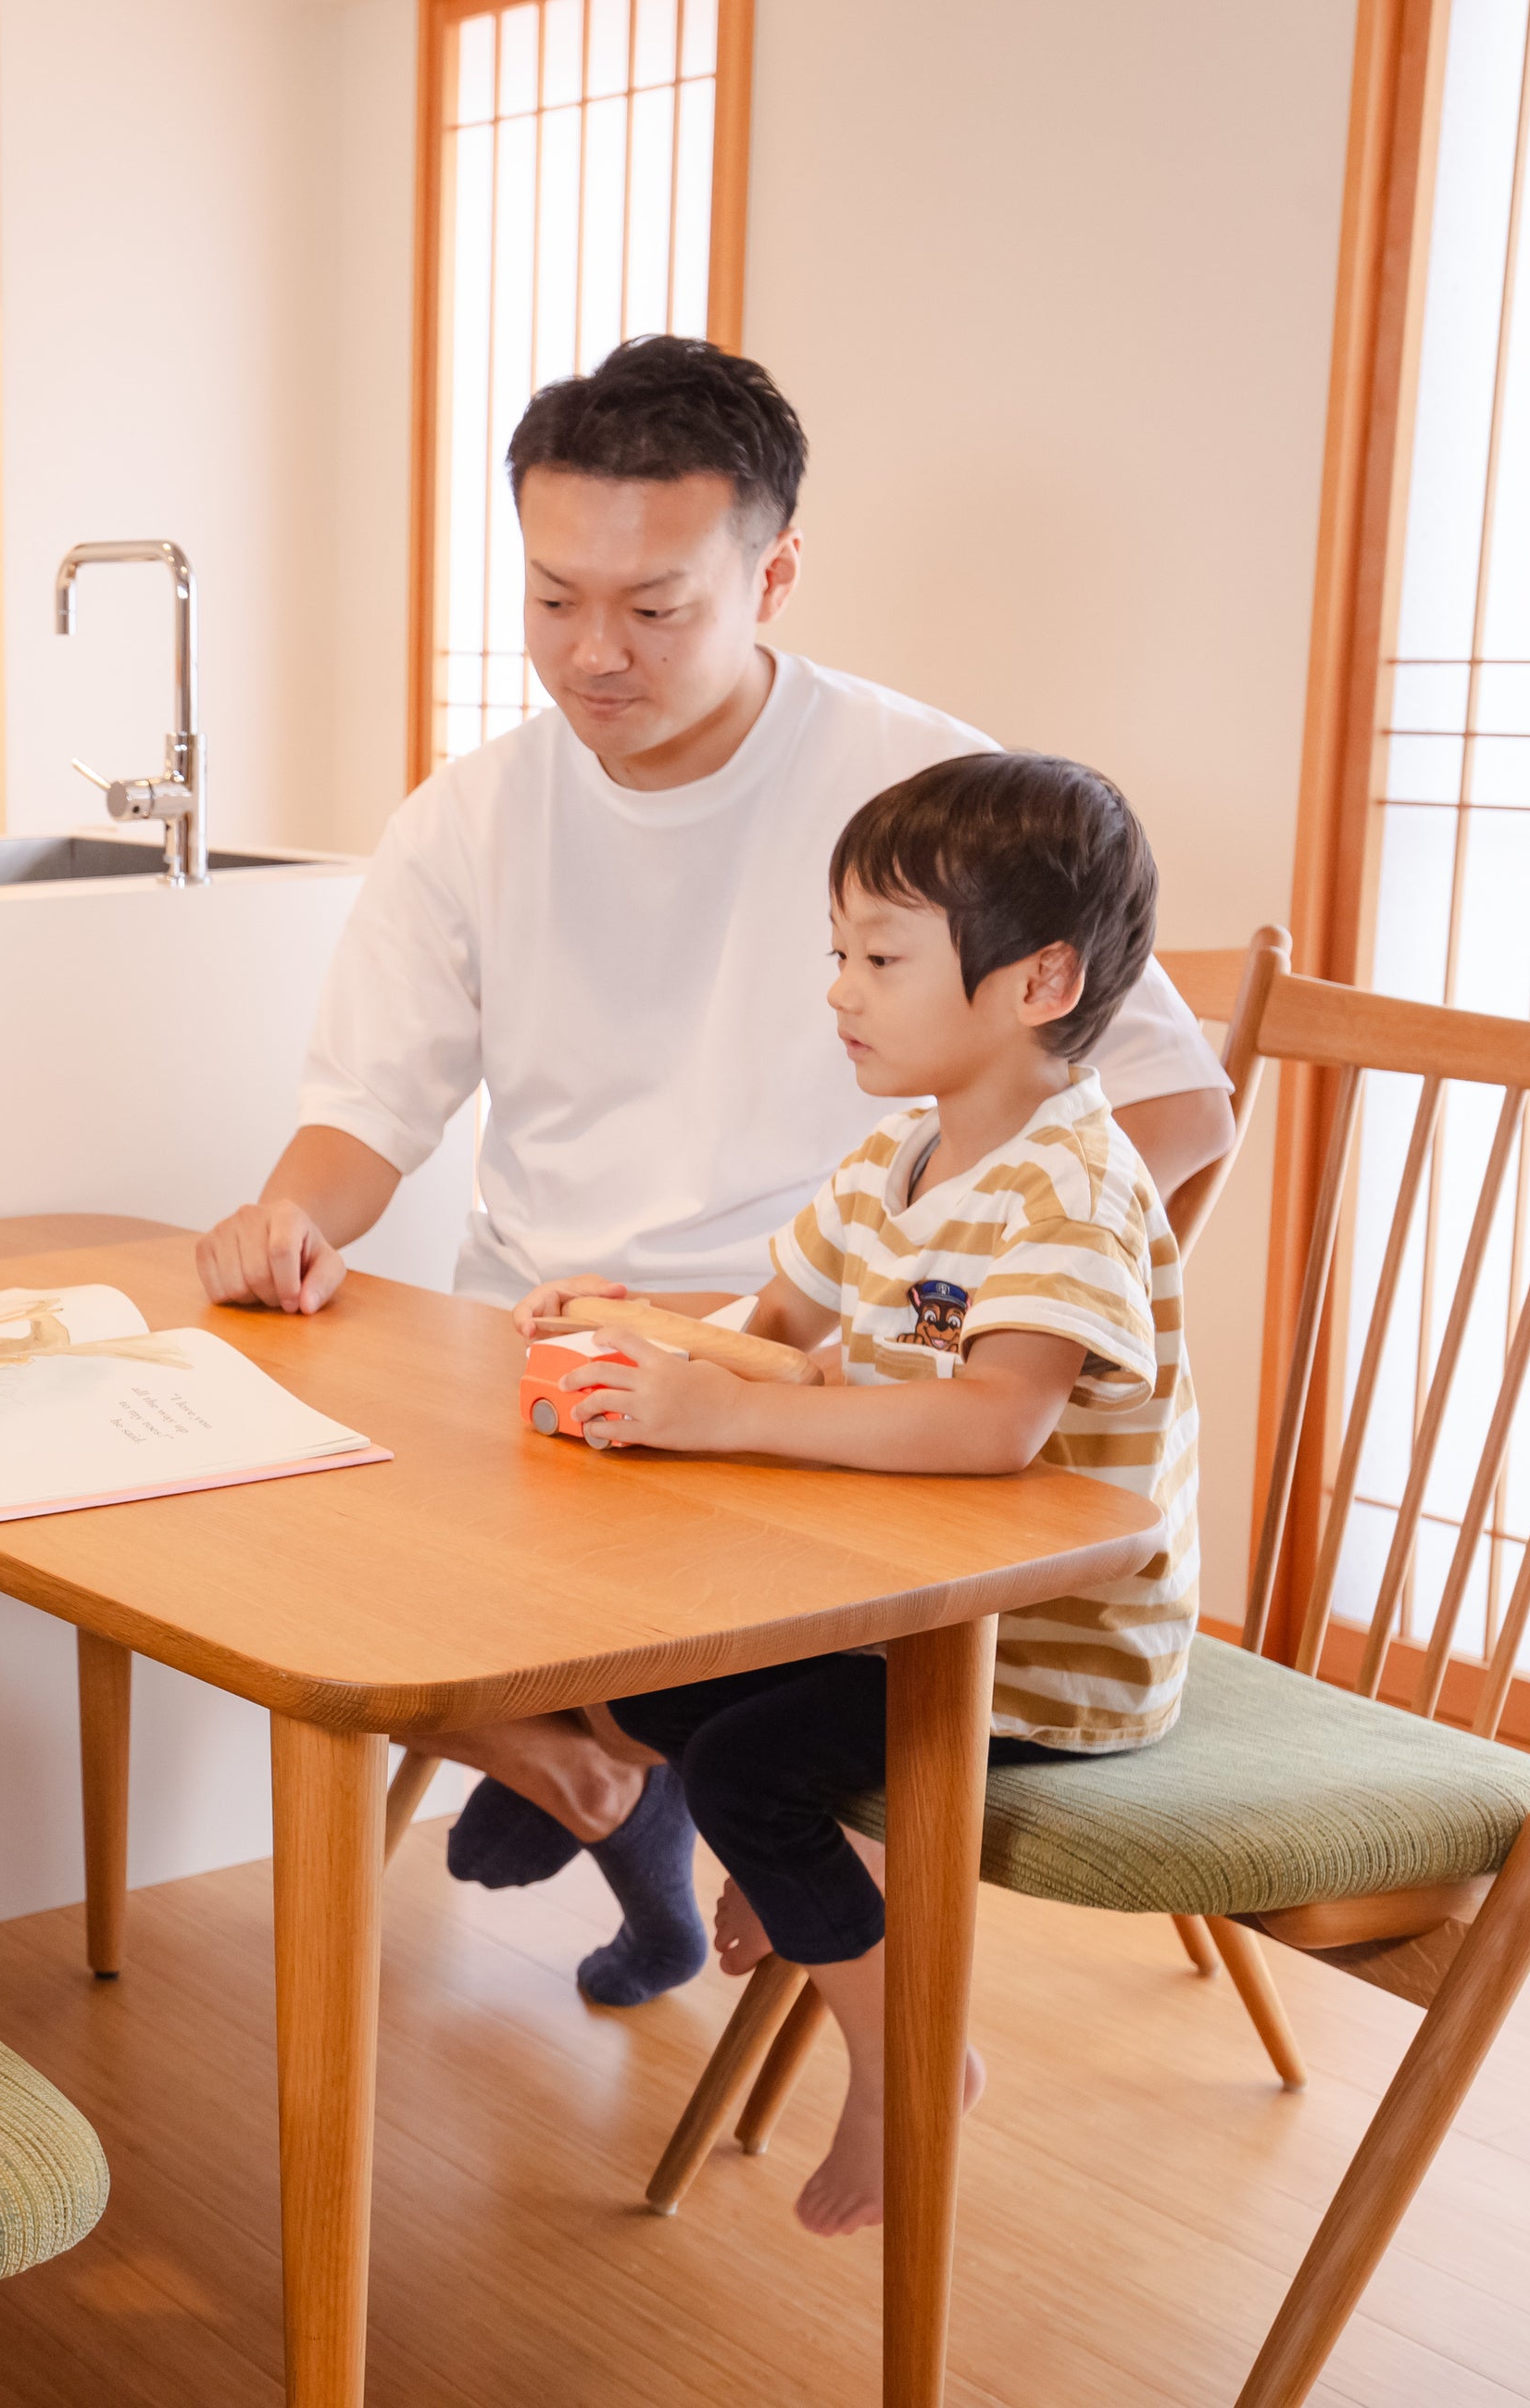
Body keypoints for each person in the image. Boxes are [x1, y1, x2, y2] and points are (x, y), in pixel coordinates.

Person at [194, 336, 1231, 2004]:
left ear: (775, 574)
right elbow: (365, 1115)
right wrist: (286, 1225)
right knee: (243, 1541)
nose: (593, 651)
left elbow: (1174, 1113)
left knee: (477, 1625)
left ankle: (614, 1762)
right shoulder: (471, 814)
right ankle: (593, 1771)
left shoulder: (923, 803)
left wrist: (979, 1352)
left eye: (655, 606)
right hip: (551, 1356)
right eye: (553, 598)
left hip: (811, 1418)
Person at [534, 749, 1201, 2236]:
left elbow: (996, 1425)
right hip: (902, 1604)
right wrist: (632, 1320)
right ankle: (804, 1884)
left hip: (1043, 1646)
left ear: (1038, 983)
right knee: (650, 1691)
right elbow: (775, 1327)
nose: (839, 990)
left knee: (746, 1772)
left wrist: (731, 1417)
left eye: (882, 959)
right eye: (838, 952)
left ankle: (910, 2063)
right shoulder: (902, 1152)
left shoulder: (1072, 1189)